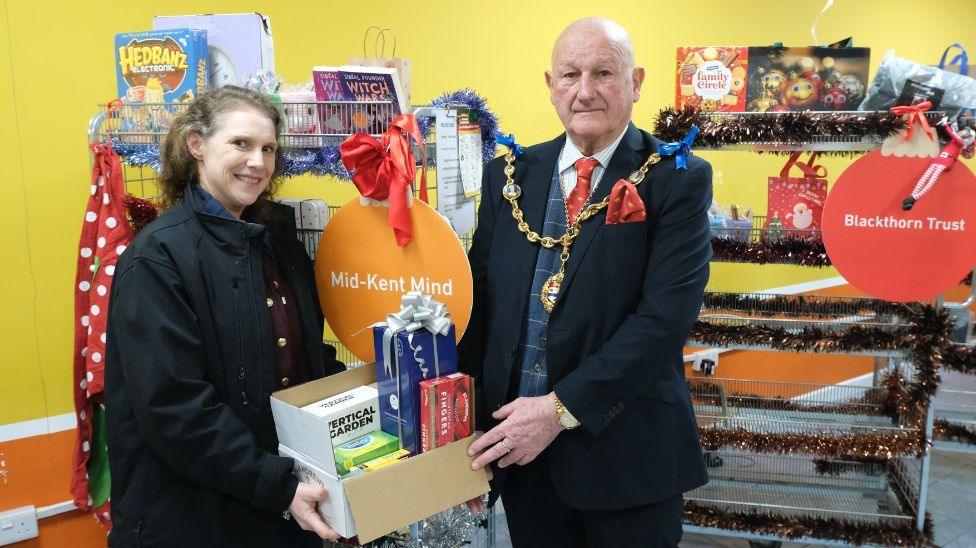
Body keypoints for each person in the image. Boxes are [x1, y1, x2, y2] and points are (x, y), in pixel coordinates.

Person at [459, 18, 711, 547]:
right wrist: (468, 434)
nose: (585, 90)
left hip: (628, 462)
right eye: (570, 74)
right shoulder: (509, 176)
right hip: (522, 460)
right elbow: (478, 308)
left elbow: (664, 320)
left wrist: (557, 410)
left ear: (636, 82)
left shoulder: (676, 178)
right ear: (550, 85)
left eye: (604, 72)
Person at [104, 86, 345, 547]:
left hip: (279, 506)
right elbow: (174, 410)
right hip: (192, 518)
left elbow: (309, 359)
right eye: (241, 144)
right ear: (196, 144)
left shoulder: (280, 246)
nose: (257, 162)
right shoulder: (157, 258)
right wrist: (278, 485)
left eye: (268, 149)